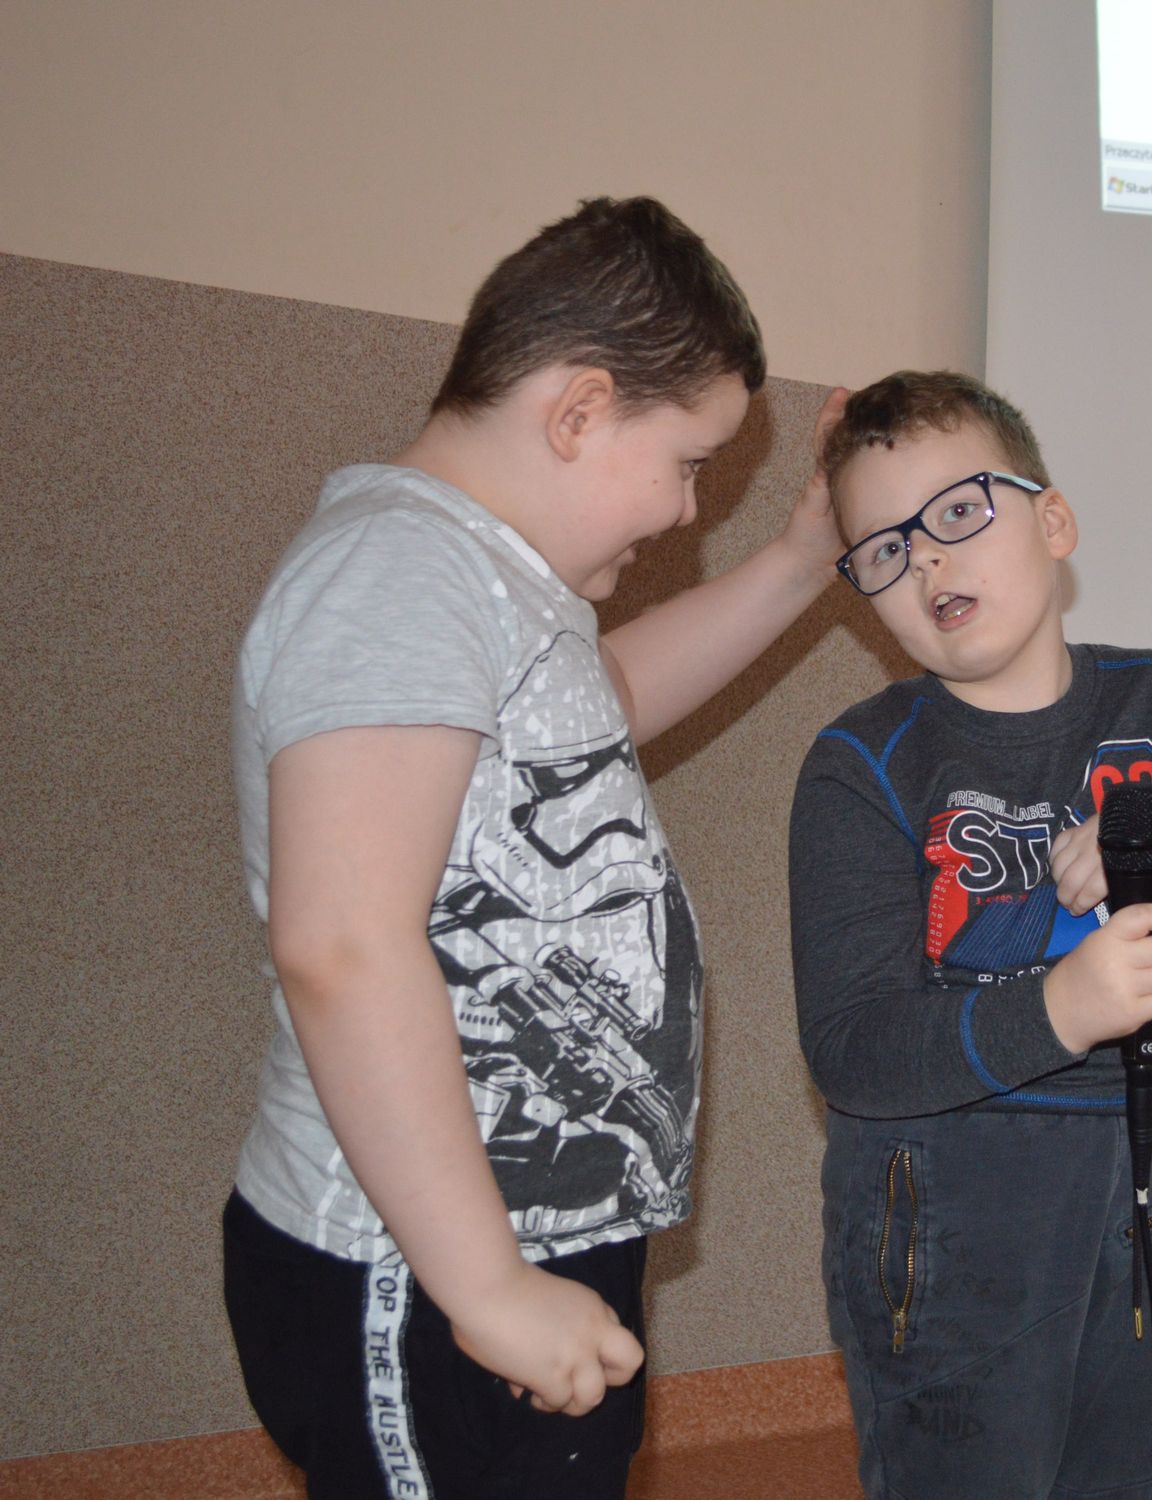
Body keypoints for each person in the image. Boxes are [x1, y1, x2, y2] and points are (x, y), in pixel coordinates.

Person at [224, 195, 845, 1498]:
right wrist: (486, 1285)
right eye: (688, 462)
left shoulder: (496, 587)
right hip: (421, 1260)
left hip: (511, 1237)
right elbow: (342, 942)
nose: (687, 510)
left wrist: (802, 562)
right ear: (578, 410)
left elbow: (607, 699)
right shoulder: (401, 573)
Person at [789, 370, 1152, 1497]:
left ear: (1055, 523)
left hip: (1142, 1180)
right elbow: (854, 1050)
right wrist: (1060, 1009)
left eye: (958, 511)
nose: (926, 560)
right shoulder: (859, 763)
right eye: (884, 549)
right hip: (942, 1212)